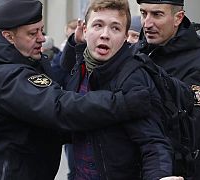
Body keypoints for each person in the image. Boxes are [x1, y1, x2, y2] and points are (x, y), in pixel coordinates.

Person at [0, 1, 154, 179]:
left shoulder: (7, 60)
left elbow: (54, 82)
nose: (42, 38)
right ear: (9, 36)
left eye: (42, 30)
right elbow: (59, 107)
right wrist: (124, 103)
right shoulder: (6, 75)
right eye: (32, 33)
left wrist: (74, 47)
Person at [63, 0, 183, 179]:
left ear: (126, 36)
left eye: (115, 28)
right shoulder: (80, 68)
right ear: (85, 31)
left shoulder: (133, 76)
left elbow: (153, 143)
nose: (105, 34)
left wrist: (160, 176)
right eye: (98, 25)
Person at [130, 0, 200, 179]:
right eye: (143, 13)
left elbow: (187, 131)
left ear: (178, 18)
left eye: (157, 15)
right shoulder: (135, 54)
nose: (147, 23)